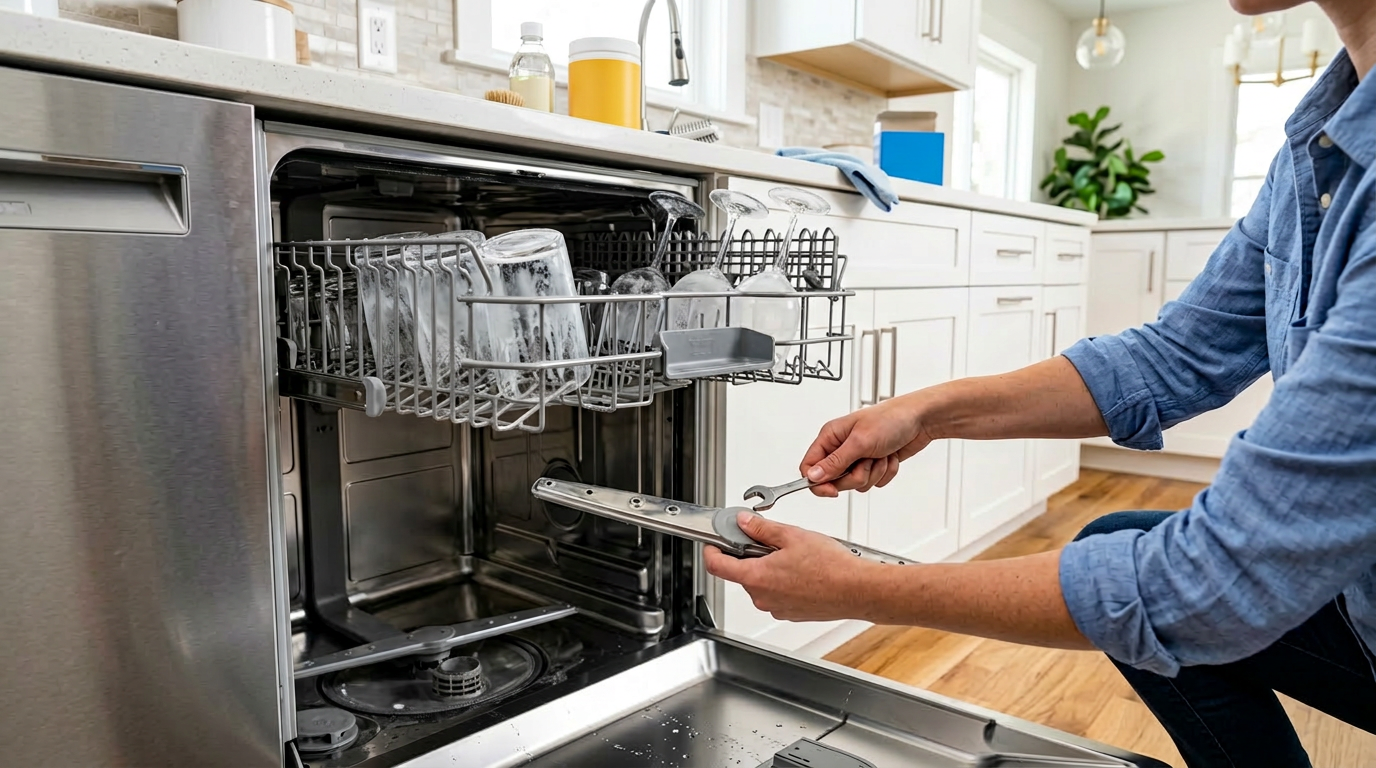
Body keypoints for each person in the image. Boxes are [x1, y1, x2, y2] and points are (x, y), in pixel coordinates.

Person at [704, 1, 1376, 766]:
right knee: (1113, 542)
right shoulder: (1317, 145)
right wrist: (924, 412)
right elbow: (1172, 358)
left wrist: (860, 588)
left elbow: (1213, 582)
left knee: (1153, 588)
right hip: (1358, 599)